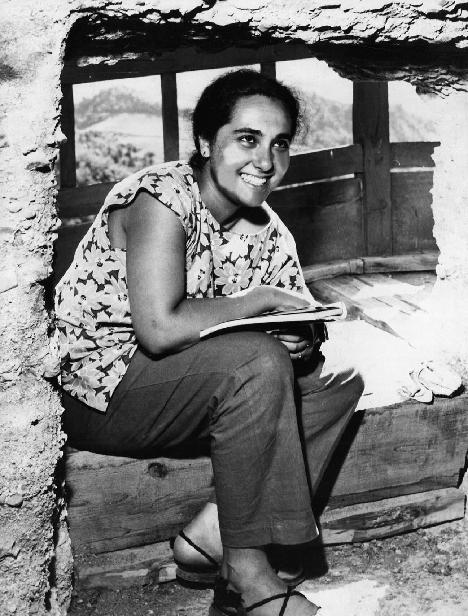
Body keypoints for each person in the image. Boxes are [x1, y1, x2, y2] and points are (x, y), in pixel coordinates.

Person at [55, 69, 364, 616]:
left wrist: (301, 339)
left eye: (280, 144)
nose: (265, 161)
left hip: (191, 388)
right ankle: (248, 576)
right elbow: (159, 329)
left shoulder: (268, 229)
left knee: (338, 382)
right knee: (256, 360)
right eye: (247, 139)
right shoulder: (161, 197)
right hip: (101, 392)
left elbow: (293, 323)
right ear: (204, 143)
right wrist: (260, 304)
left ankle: (213, 534)